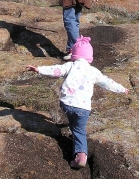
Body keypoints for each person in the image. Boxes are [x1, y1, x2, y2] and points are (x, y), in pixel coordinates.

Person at [26, 36, 129, 169]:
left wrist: (39, 69)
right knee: (79, 130)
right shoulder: (93, 71)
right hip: (83, 108)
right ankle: (81, 155)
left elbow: (56, 70)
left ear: (74, 54)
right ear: (89, 57)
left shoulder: (70, 66)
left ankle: (75, 136)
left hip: (66, 104)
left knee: (73, 121)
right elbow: (107, 82)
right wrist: (122, 89)